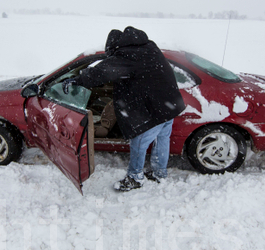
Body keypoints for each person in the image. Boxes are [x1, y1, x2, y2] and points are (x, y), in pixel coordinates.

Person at [63, 26, 185, 191]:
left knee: (139, 143)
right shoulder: (148, 46)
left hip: (154, 109)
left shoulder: (128, 55)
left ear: (115, 48)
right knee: (162, 138)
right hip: (168, 104)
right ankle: (159, 173)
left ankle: (135, 177)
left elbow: (103, 72)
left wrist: (78, 79)